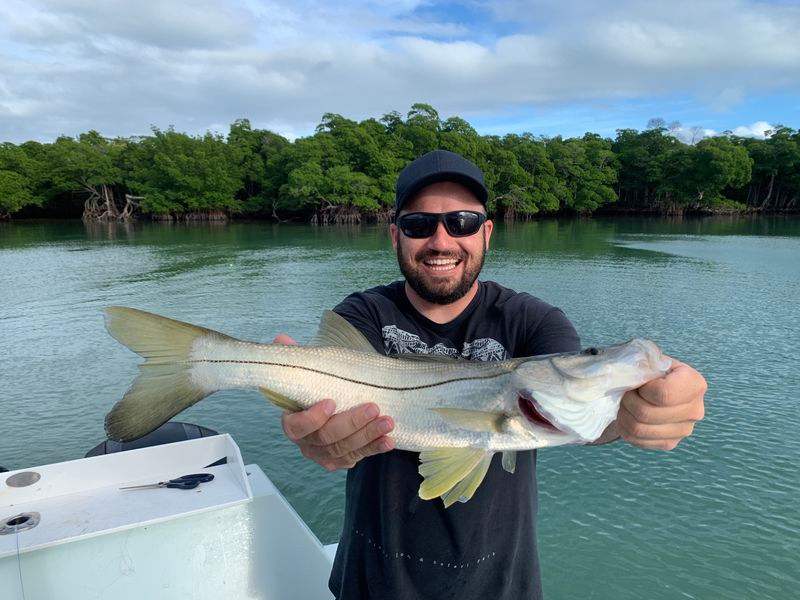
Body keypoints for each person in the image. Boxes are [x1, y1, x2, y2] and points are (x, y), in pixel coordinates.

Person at [274, 150, 707, 600]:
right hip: (369, 581)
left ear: (487, 233)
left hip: (500, 585)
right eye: (419, 224)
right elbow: (316, 410)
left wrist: (630, 415)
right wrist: (316, 436)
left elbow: (578, 417)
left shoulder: (533, 321)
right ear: (394, 236)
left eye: (461, 222)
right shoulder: (363, 314)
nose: (441, 241)